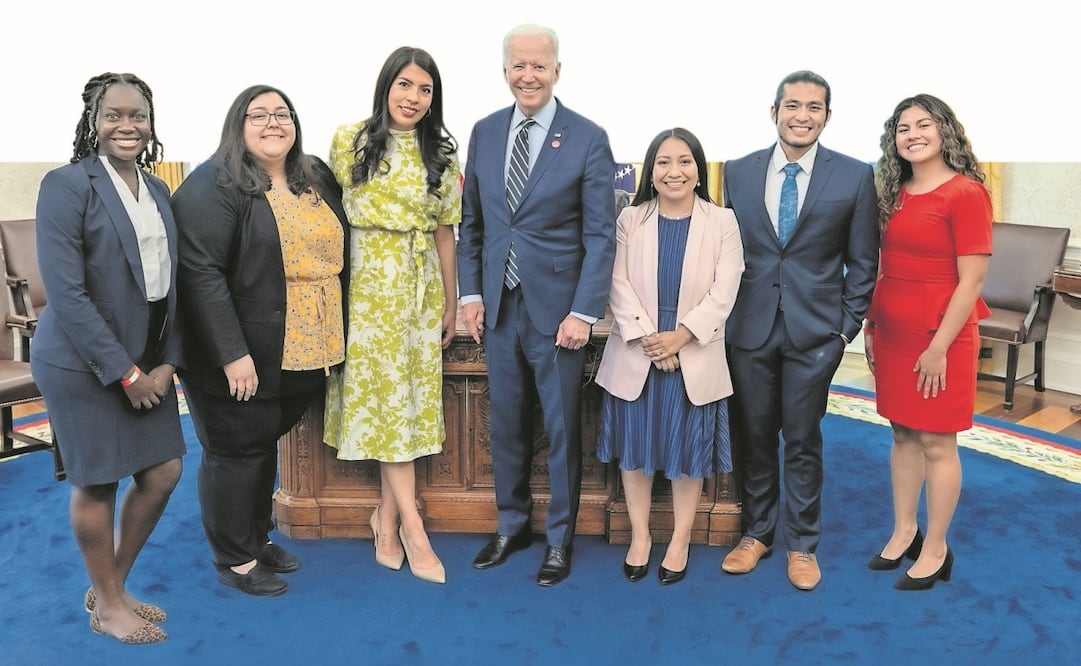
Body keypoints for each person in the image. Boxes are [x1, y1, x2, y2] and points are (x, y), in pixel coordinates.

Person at [171, 85, 349, 597]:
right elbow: (200, 273)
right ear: (237, 124)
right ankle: (234, 558)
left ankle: (256, 535)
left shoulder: (313, 174)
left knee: (261, 440)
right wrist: (232, 355)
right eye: (259, 114)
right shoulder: (215, 182)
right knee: (233, 448)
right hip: (240, 350)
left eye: (283, 113)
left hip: (306, 345)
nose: (274, 122)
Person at [457, 23, 616, 587]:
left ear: (556, 71)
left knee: (562, 428)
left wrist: (584, 311)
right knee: (506, 424)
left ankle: (560, 537)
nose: (528, 75)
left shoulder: (588, 137)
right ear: (505, 71)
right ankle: (511, 524)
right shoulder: (484, 132)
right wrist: (470, 292)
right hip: (499, 306)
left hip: (559, 315)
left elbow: (601, 235)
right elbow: (473, 223)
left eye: (539, 66)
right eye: (518, 66)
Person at [31, 72, 184, 644]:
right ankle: (113, 605)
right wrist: (123, 371)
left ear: (151, 122)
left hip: (147, 360)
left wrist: (167, 361)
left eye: (137, 115)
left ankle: (111, 587)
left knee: (164, 471)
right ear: (92, 121)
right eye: (114, 115)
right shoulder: (66, 185)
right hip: (81, 362)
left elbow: (173, 284)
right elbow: (65, 294)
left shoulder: (159, 189)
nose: (128, 125)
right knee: (98, 484)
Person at [720, 70, 879, 591]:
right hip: (749, 328)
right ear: (774, 112)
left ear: (827, 117)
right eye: (792, 105)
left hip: (816, 334)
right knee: (755, 435)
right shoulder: (738, 173)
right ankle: (757, 533)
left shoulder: (855, 176)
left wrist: (844, 331)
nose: (802, 115)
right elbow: (727, 251)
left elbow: (862, 261)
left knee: (804, 439)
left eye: (814, 107)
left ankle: (803, 544)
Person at [322, 46, 460, 585]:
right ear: (386, 87)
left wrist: (451, 301)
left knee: (403, 405)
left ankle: (386, 518)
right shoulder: (348, 140)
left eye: (425, 89)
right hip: (366, 288)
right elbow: (328, 214)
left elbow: (446, 232)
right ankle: (412, 527)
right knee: (384, 401)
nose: (413, 97)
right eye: (405, 85)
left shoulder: (443, 153)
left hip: (419, 287)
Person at [595, 128, 744, 585]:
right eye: (663, 161)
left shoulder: (722, 222)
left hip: (692, 353)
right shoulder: (629, 219)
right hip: (638, 351)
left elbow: (726, 289)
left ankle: (679, 539)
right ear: (650, 170)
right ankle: (640, 537)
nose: (673, 170)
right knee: (635, 453)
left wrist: (680, 337)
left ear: (699, 170)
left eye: (684, 161)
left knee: (687, 453)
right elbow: (615, 283)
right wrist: (649, 339)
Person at [864, 94, 991, 591]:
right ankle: (904, 530)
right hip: (893, 333)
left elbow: (972, 281)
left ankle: (937, 547)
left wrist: (938, 346)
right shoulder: (893, 192)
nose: (912, 134)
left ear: (945, 131)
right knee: (901, 434)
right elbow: (884, 268)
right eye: (902, 128)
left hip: (941, 338)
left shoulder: (966, 193)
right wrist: (873, 327)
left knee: (937, 441)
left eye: (923, 124)